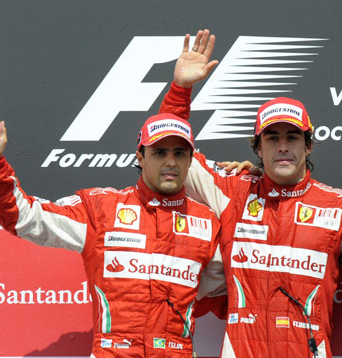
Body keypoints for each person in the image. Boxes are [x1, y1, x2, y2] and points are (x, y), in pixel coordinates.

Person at [157, 30, 342, 358]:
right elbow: (172, 149)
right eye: (272, 138)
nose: (283, 146)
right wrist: (181, 90)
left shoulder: (340, 207)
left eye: (293, 136)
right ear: (258, 148)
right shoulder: (233, 190)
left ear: (309, 144)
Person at [0, 113, 221, 357]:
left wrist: (254, 181)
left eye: (179, 153)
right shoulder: (100, 209)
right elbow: (26, 217)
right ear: (141, 157)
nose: (170, 161)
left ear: (190, 161)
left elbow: (244, 286)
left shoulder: (208, 223)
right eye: (160, 152)